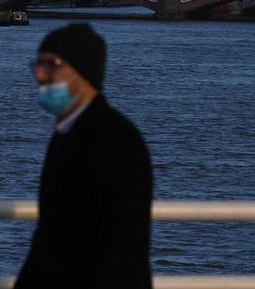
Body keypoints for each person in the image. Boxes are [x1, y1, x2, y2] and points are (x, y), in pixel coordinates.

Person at [15, 22, 153, 289]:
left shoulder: (117, 140)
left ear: (83, 71)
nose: (40, 75)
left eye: (52, 65)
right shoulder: (67, 132)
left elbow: (122, 248)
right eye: (38, 65)